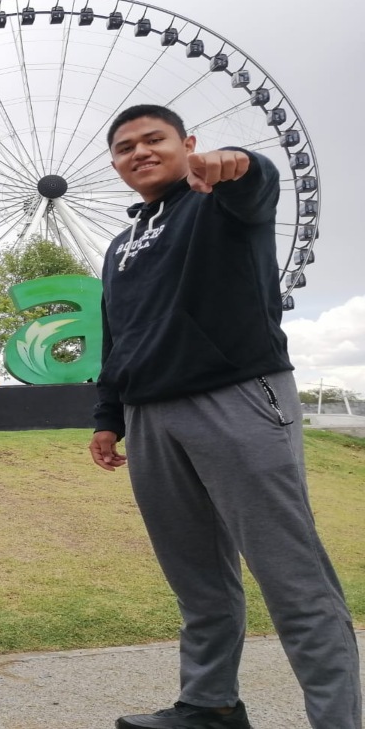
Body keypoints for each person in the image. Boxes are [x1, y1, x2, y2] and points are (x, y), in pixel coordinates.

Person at [89, 104, 360, 729]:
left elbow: (257, 178)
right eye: (125, 146)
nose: (140, 152)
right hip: (149, 413)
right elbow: (116, 334)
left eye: (154, 139)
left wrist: (238, 164)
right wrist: (109, 414)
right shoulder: (120, 246)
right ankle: (209, 705)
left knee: (290, 574)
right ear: (115, 162)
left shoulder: (223, 200)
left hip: (236, 397)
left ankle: (337, 719)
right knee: (196, 576)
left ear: (188, 144)